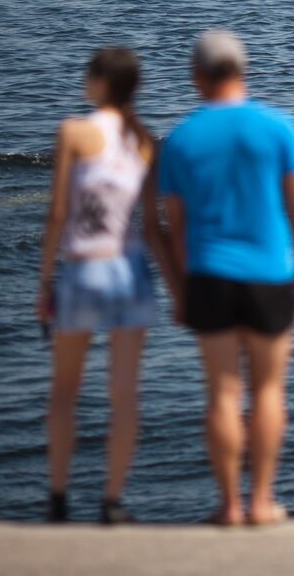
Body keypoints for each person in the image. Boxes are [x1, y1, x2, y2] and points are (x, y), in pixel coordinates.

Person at [159, 30, 294, 526]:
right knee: (269, 390)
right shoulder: (279, 128)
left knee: (222, 392)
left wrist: (181, 289)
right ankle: (262, 501)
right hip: (271, 273)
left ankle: (228, 505)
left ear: (197, 76)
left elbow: (175, 228)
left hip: (209, 274)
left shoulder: (180, 138)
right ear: (243, 71)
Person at [38, 47, 173, 524]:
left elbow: (58, 214)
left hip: (84, 268)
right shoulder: (146, 141)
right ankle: (112, 502)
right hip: (130, 271)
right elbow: (154, 230)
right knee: (125, 393)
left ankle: (58, 500)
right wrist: (177, 289)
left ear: (98, 82)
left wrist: (43, 283)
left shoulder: (74, 131)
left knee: (65, 392)